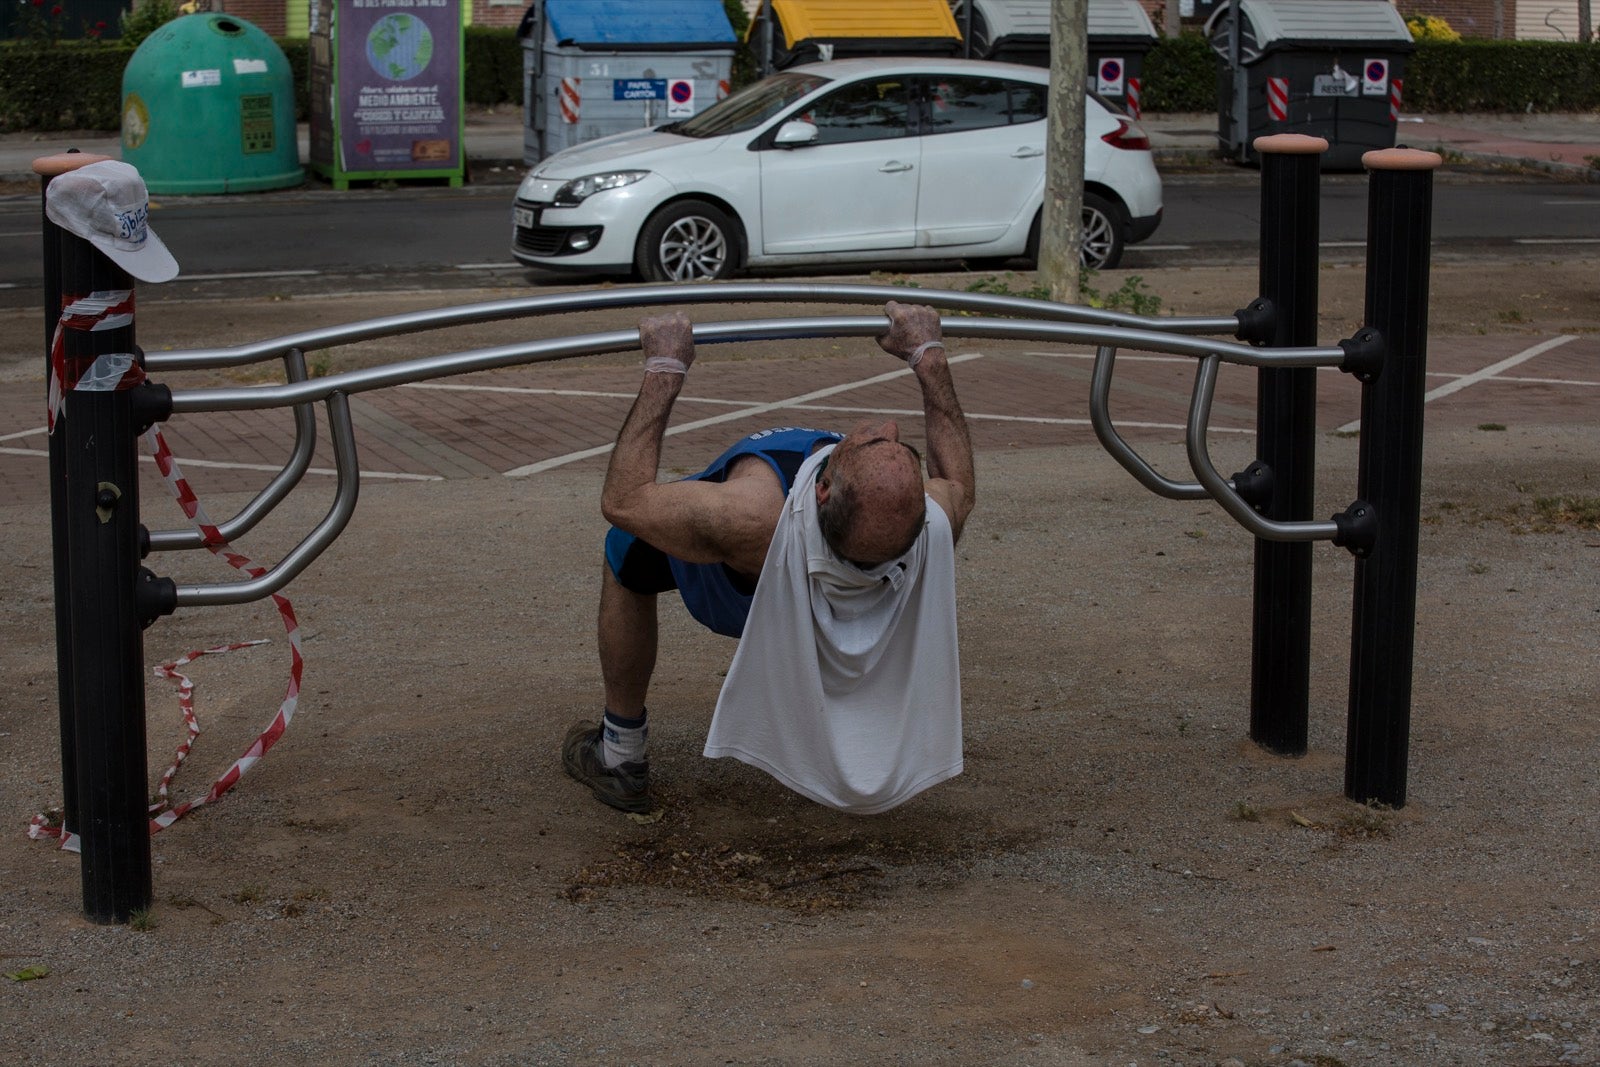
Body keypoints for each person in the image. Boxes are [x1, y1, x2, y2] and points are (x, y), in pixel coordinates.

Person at [562, 301, 975, 815]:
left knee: (623, 555)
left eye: (873, 442)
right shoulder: (933, 521)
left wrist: (665, 368)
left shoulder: (753, 517)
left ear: (823, 490)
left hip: (745, 584)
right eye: (892, 444)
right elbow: (959, 482)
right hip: (821, 600)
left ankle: (620, 754)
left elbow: (621, 502)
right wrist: (929, 358)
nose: (888, 426)